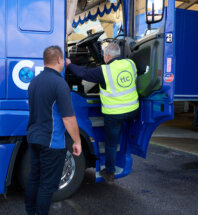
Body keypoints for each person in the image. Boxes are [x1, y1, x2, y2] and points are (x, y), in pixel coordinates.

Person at [65, 43, 139, 183]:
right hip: (133, 110)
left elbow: (83, 73)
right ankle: (122, 156)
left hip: (115, 113)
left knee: (110, 144)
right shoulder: (130, 63)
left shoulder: (104, 70)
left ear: (107, 56)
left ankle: (109, 172)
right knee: (120, 133)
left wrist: (69, 64)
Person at [25, 46, 82, 215]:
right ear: (59, 60)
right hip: (51, 142)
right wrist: (77, 141)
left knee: (34, 179)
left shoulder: (34, 82)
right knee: (47, 185)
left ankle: (30, 212)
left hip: (33, 137)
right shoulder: (59, 83)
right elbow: (68, 118)